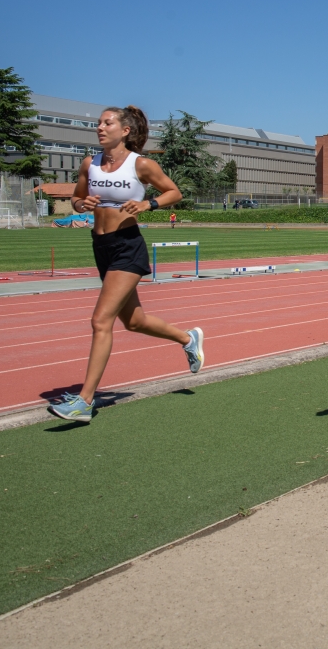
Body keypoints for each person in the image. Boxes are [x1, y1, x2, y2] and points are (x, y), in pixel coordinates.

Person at [49, 105, 205, 423]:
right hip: (101, 246)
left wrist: (148, 203)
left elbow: (174, 192)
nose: (100, 127)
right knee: (134, 321)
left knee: (100, 321)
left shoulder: (141, 164)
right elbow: (76, 199)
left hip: (127, 247)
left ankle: (84, 401)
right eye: (98, 123)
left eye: (107, 123)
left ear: (125, 131)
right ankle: (188, 339)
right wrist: (82, 203)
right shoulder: (90, 163)